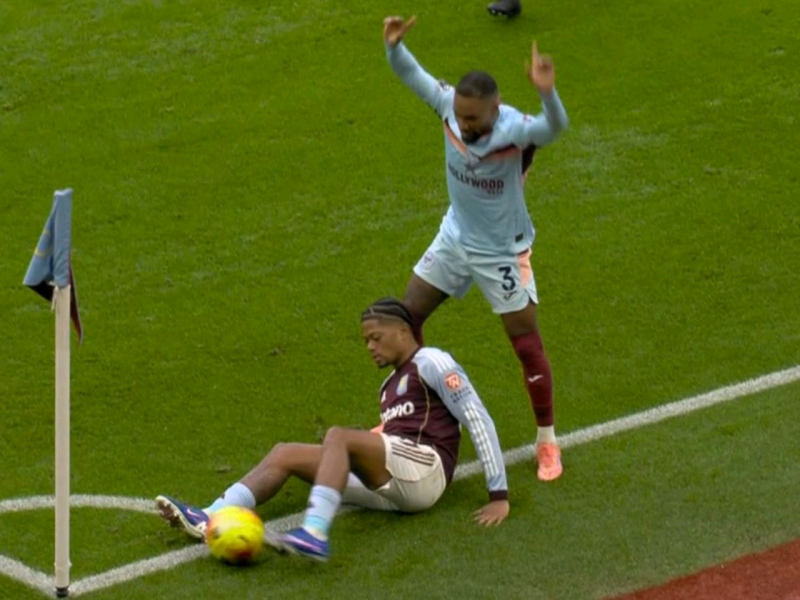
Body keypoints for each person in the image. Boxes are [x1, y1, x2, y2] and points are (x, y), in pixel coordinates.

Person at [155, 297, 509, 562]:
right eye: (366, 340)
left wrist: (499, 496)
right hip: (395, 485)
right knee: (285, 453)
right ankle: (210, 515)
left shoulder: (432, 361)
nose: (370, 347)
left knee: (338, 435)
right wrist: (340, 455)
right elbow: (384, 439)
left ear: (403, 331)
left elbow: (477, 418)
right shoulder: (387, 387)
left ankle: (314, 533)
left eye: (376, 337)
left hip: (427, 471)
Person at [383, 16, 569, 481]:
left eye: (473, 118)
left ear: (495, 109)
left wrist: (547, 92)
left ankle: (547, 440)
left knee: (525, 343)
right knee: (406, 318)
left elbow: (554, 127)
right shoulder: (448, 106)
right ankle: (414, 419)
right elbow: (413, 76)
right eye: (460, 116)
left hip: (501, 253)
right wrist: (395, 47)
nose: (463, 125)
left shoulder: (514, 129)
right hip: (455, 237)